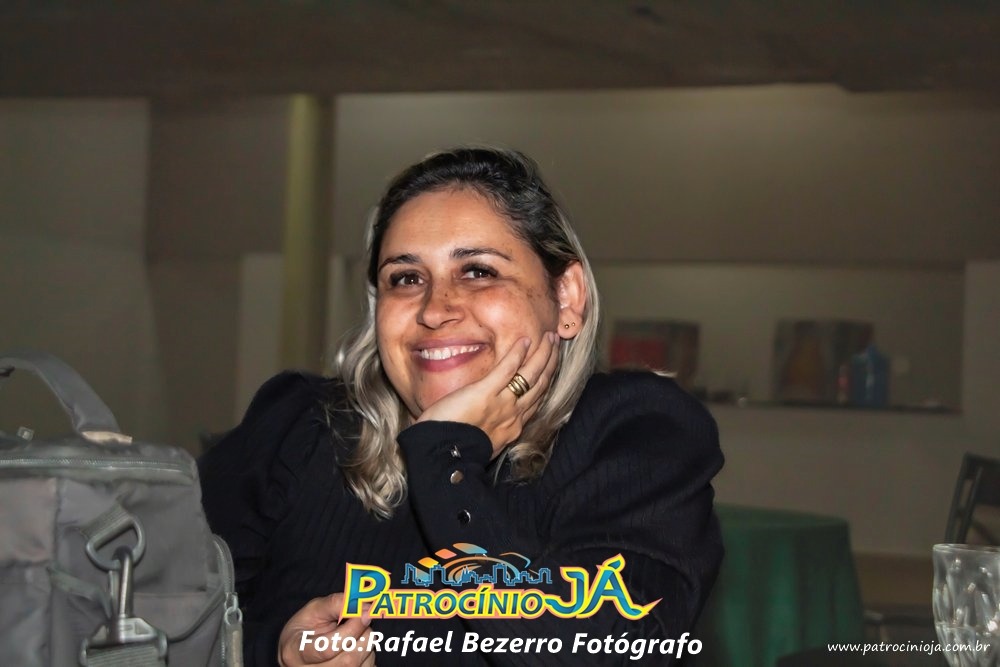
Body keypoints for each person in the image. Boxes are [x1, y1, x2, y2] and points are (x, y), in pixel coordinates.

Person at [199, 147, 724, 666]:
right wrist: (274, 655)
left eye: (477, 271)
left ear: (566, 297)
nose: (435, 309)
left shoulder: (634, 434)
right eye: (406, 278)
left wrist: (445, 458)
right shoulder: (300, 427)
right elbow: (171, 622)